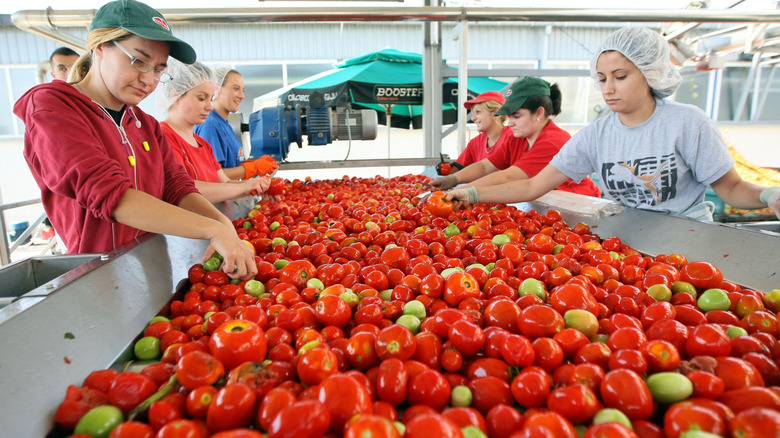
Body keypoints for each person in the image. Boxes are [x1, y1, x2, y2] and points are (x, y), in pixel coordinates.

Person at [13, 0, 257, 279]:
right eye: (139, 61)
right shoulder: (53, 107)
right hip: (95, 275)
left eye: (158, 69)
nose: (148, 79)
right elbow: (110, 195)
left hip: (150, 266)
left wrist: (223, 225)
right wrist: (213, 230)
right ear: (101, 47)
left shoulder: (144, 124)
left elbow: (177, 187)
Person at [445, 27, 780, 221]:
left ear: (650, 74)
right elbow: (533, 186)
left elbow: (731, 189)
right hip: (630, 240)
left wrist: (768, 194)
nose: (608, 87)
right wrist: (470, 194)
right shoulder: (597, 134)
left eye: (620, 76)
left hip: (688, 239)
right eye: (602, 78)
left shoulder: (686, 123)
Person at [431, 76, 600, 197]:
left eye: (516, 116)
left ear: (539, 113)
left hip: (579, 207)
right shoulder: (516, 138)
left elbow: (509, 176)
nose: (509, 123)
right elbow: (485, 166)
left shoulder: (554, 141)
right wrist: (453, 179)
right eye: (509, 116)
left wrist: (461, 192)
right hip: (545, 204)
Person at [157, 59, 276, 203]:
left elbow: (224, 183)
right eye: (201, 98)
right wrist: (247, 184)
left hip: (214, 222)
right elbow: (183, 189)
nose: (210, 107)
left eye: (211, 98)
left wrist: (256, 187)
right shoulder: (163, 138)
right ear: (176, 96)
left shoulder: (202, 144)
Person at [195, 67, 248, 171]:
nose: (242, 96)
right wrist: (249, 169)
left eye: (243, 90)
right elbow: (214, 176)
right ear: (217, 88)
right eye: (236, 88)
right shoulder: (210, 125)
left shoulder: (224, 123)